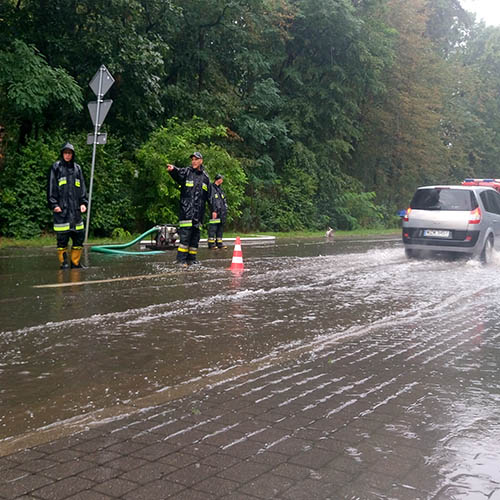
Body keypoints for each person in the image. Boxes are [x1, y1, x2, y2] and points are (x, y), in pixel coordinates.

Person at [47, 142, 88, 269]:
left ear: (73, 154)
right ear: (62, 154)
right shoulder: (56, 167)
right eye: (65, 153)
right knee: (62, 239)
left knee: (78, 237)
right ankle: (64, 263)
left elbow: (82, 187)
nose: (67, 155)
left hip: (75, 212)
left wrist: (83, 203)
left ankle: (75, 262)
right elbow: (51, 187)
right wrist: (54, 204)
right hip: (62, 212)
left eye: (69, 153)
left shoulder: (77, 169)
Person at [166, 152, 211, 266]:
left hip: (199, 214)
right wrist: (173, 170)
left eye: (196, 159)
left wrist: (213, 209)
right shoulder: (187, 172)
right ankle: (181, 260)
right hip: (187, 212)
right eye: (192, 159)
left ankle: (192, 259)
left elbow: (209, 196)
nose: (194, 161)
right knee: (185, 238)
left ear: (201, 161)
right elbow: (178, 173)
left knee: (195, 238)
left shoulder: (205, 178)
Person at [208, 174, 228, 249]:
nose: (222, 181)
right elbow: (212, 200)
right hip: (215, 212)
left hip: (221, 212)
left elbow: (222, 201)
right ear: (218, 179)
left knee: (220, 228)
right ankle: (211, 244)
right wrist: (214, 211)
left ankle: (219, 243)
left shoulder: (220, 189)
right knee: (213, 228)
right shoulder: (212, 188)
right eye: (221, 179)